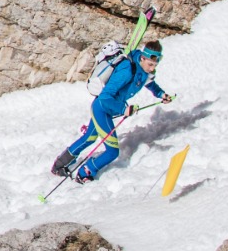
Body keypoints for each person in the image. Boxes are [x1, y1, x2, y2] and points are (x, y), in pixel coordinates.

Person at [55, 39, 172, 183]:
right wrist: (124, 109)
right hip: (102, 108)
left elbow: (149, 83)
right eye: (150, 64)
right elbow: (104, 97)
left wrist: (161, 94)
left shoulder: (143, 70)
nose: (152, 68)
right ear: (142, 58)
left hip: (109, 110)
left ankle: (59, 164)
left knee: (89, 138)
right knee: (112, 151)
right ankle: (84, 172)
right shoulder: (127, 70)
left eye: (155, 65)